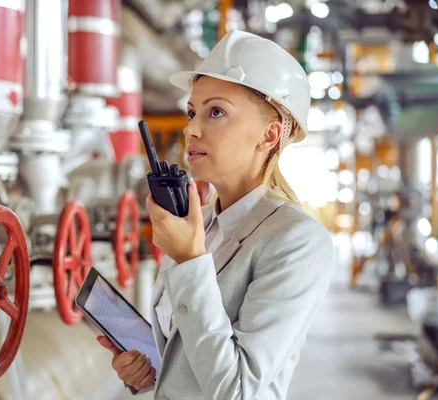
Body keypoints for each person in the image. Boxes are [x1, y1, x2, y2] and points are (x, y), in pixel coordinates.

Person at [97, 30, 334, 400]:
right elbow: (189, 357)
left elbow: (236, 391)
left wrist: (190, 259)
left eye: (216, 112)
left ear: (269, 136)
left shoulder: (298, 242)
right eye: (192, 112)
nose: (191, 129)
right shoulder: (200, 222)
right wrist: (148, 371)